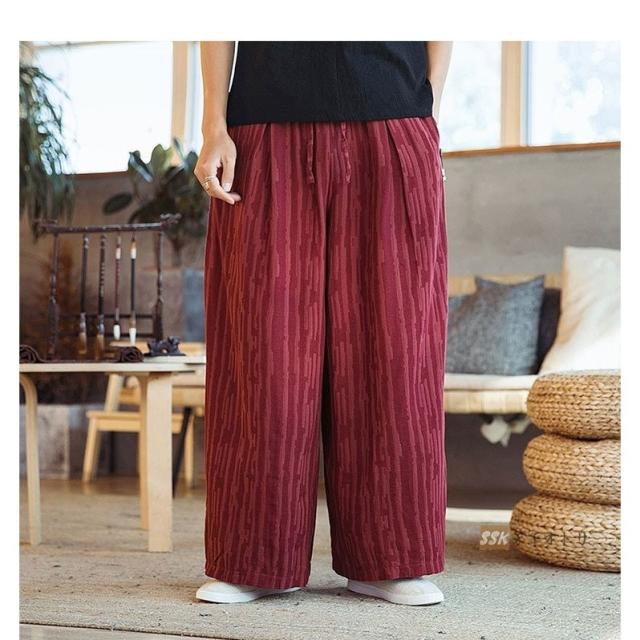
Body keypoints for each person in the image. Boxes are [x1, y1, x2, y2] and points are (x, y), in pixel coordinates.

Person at [194, 41, 452, 606]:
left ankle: (390, 559)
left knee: (393, 347)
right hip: (264, 124)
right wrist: (215, 125)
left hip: (392, 118)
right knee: (264, 348)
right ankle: (253, 559)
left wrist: (425, 109)